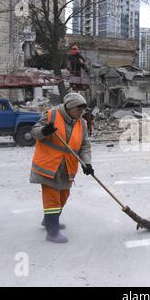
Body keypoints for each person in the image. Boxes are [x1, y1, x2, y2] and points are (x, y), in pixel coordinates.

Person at [30, 93, 94, 243]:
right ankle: (52, 231)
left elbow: (85, 145)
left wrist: (87, 163)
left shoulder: (82, 123)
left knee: (63, 195)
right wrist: (44, 131)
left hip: (68, 166)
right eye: (79, 110)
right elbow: (34, 131)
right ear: (70, 108)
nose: (81, 113)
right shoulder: (52, 115)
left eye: (83, 110)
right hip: (48, 164)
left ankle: (48, 220)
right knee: (52, 197)